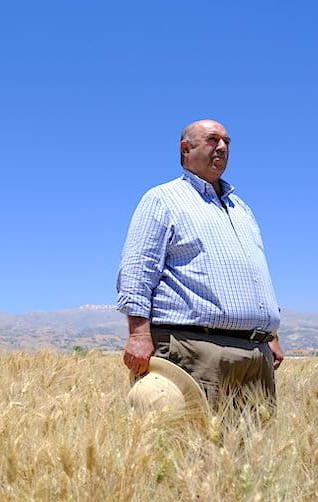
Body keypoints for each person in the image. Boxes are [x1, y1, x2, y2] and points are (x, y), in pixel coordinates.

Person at [116, 119, 284, 409]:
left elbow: (254, 274)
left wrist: (270, 336)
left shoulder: (240, 208)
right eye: (212, 140)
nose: (222, 147)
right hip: (196, 350)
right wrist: (138, 335)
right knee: (194, 446)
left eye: (227, 142)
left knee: (251, 452)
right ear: (186, 149)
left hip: (255, 353)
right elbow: (138, 270)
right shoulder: (163, 199)